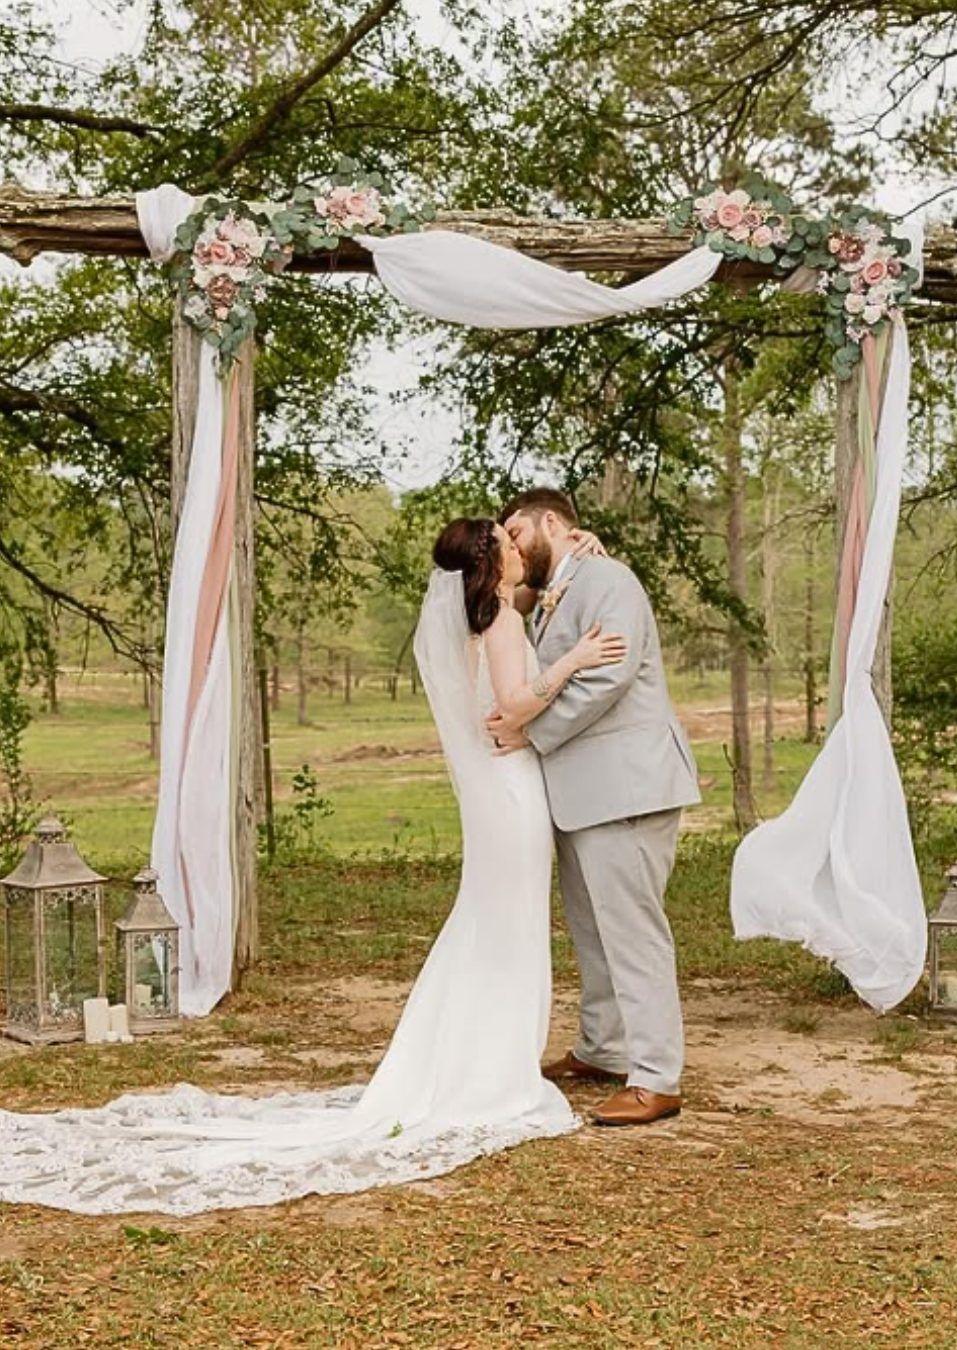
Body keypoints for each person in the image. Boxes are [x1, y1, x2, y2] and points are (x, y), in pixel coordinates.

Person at [0, 517, 619, 1216]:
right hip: (512, 794)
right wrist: (578, 658)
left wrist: (573, 559)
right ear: (491, 562)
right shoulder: (501, 623)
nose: (518, 549)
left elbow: (522, 630)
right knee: (504, 927)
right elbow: (514, 703)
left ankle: (468, 1062)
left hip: (495, 796)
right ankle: (490, 1073)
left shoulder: (488, 619)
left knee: (489, 922)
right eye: (509, 544)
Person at [488, 488, 701, 1127]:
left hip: (628, 787)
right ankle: (604, 1046)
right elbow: (505, 598)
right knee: (592, 928)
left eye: (519, 532)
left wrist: (534, 734)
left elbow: (609, 678)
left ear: (553, 522)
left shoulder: (608, 578)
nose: (514, 547)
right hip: (584, 794)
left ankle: (657, 1078)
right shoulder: (556, 587)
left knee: (633, 930)